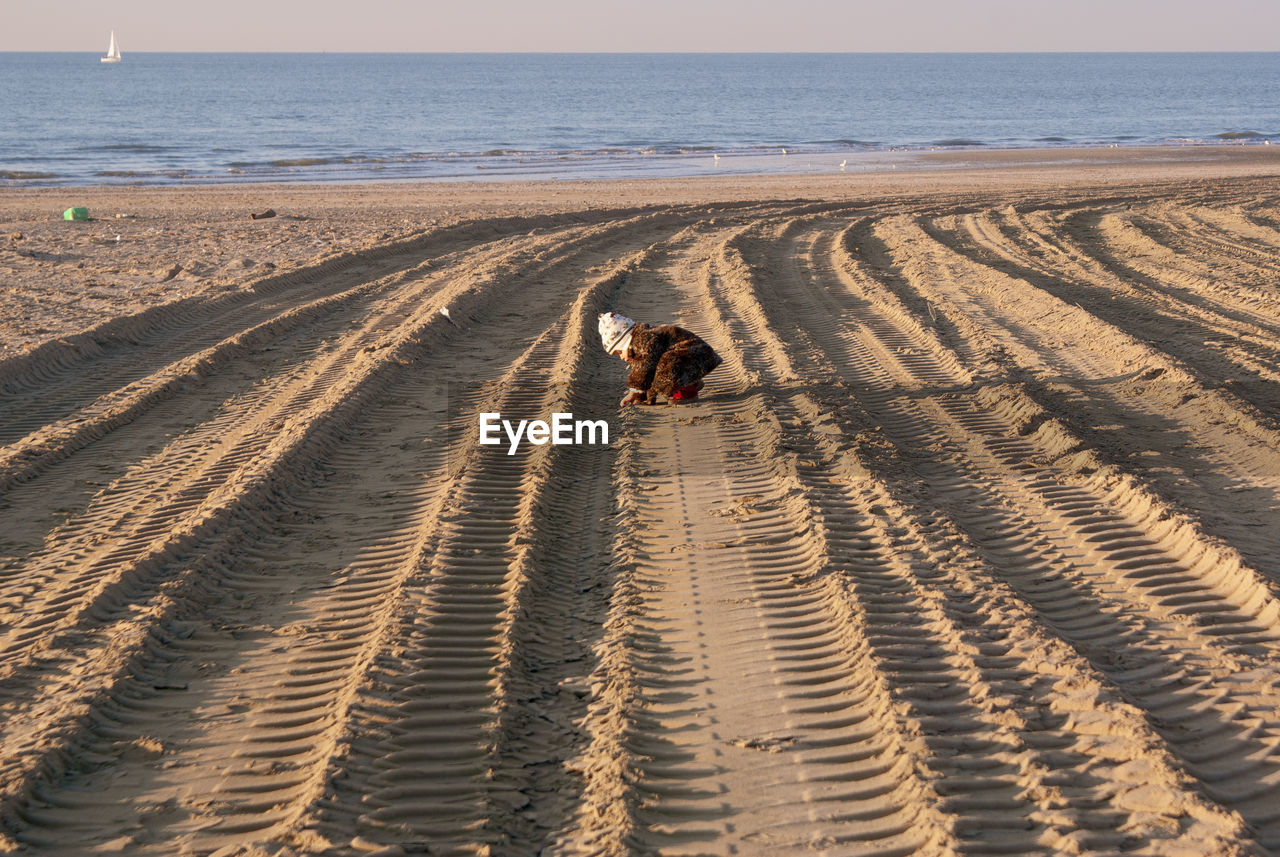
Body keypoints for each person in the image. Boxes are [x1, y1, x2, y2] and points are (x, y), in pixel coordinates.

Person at [598, 311, 722, 407]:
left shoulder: (643, 340)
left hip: (694, 356)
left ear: (624, 341)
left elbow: (645, 369)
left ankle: (686, 392)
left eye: (619, 352)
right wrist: (642, 396)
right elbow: (650, 374)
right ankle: (689, 382)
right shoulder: (642, 340)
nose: (621, 357)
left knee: (667, 365)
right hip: (694, 358)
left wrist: (634, 391)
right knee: (660, 367)